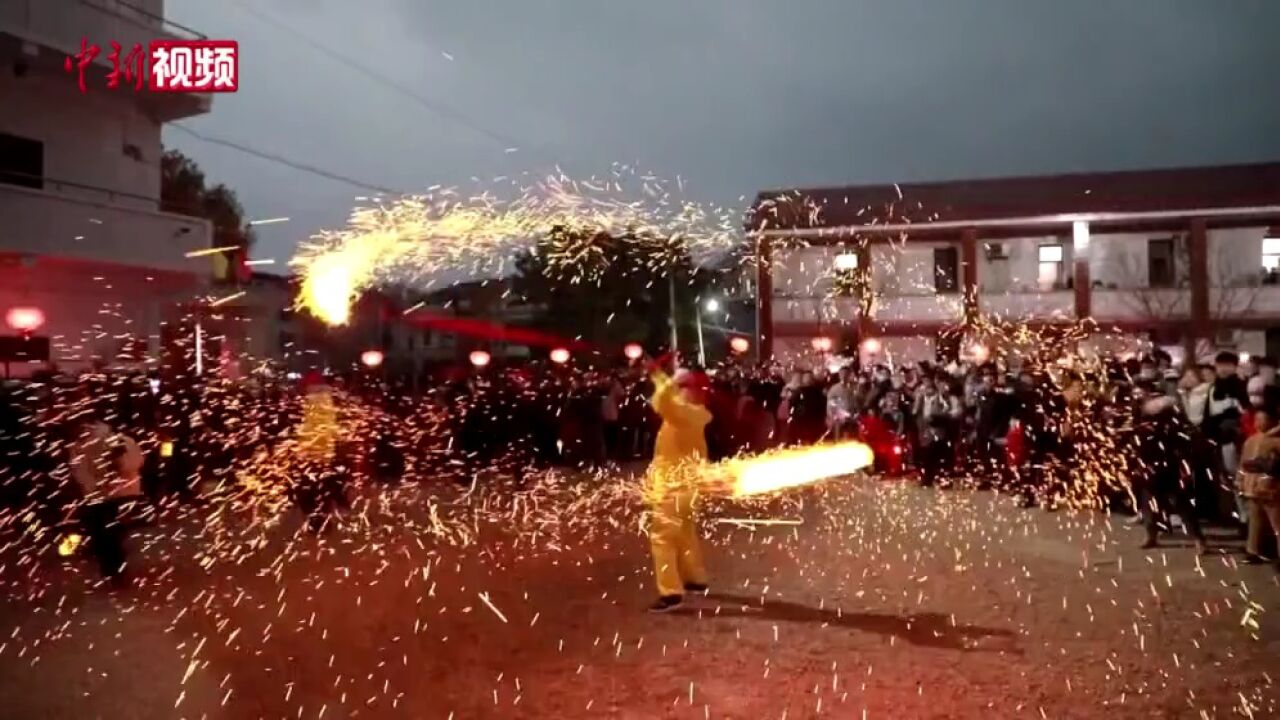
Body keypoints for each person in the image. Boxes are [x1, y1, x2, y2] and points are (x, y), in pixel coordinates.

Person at [643, 354, 712, 613]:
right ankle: (695, 578)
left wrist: (666, 381)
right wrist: (656, 373)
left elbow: (661, 401)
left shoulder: (683, 414)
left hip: (674, 486)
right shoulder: (694, 413)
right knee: (685, 532)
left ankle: (670, 592)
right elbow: (666, 396)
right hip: (688, 485)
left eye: (682, 387)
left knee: (662, 536)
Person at [69, 407, 145, 582]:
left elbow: (81, 471)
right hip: (115, 493)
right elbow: (134, 463)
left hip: (103, 495)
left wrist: (93, 489)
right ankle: (114, 569)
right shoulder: (112, 438)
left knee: (103, 533)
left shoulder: (84, 443)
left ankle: (113, 569)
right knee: (108, 532)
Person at [1135, 384, 1205, 553]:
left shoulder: (1175, 424)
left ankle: (1198, 538)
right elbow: (1139, 444)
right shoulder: (1144, 422)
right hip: (1151, 467)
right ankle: (1151, 534)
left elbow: (1186, 444)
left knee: (1182, 505)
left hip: (1172, 468)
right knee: (1150, 505)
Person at [1240, 408, 1280, 566]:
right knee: (1255, 522)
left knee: (1275, 523)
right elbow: (1242, 463)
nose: (1258, 423)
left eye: (1261, 419)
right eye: (1256, 420)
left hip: (1269, 487)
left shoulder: (1276, 441)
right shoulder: (1250, 441)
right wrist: (1240, 481)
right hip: (1254, 486)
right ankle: (1252, 551)